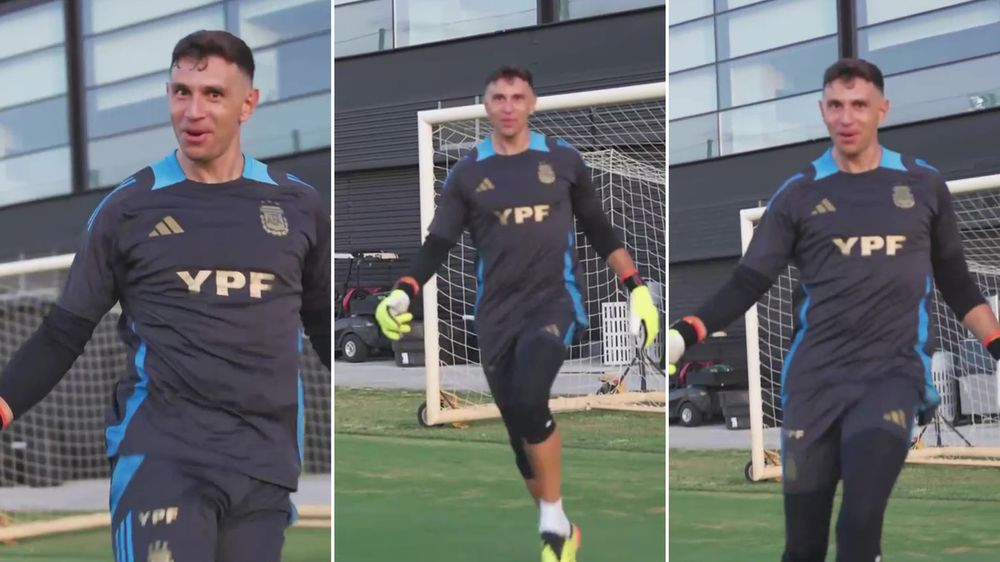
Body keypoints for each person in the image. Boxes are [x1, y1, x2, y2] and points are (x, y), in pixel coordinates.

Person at [0, 30, 330, 562]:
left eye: (213, 94)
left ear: (248, 104)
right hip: (162, 459)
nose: (193, 111)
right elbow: (63, 332)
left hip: (264, 466)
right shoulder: (127, 209)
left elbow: (320, 321)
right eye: (181, 92)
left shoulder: (299, 205)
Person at [669, 58, 1000, 562]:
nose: (848, 117)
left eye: (859, 105)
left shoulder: (923, 185)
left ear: (882, 110)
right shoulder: (798, 194)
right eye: (837, 105)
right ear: (822, 110)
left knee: (858, 524)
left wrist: (997, 345)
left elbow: (957, 283)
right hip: (814, 384)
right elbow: (748, 281)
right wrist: (684, 333)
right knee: (803, 548)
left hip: (891, 378)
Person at [375, 65, 659, 562]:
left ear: (532, 103)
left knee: (531, 399)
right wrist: (403, 291)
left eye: (517, 97)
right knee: (518, 437)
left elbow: (599, 229)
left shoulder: (564, 160)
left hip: (554, 304)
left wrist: (636, 288)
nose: (508, 106)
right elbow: (438, 243)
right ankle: (563, 526)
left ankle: (551, 521)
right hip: (495, 317)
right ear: (486, 105)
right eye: (499, 98)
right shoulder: (467, 173)